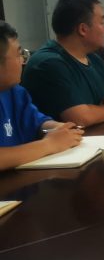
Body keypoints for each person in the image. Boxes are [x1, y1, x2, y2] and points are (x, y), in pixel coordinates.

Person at [21, 0, 104, 127]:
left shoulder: (92, 57)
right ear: (83, 29)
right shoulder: (48, 63)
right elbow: (80, 118)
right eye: (102, 23)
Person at [0, 21, 83, 170]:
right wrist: (48, 144)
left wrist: (60, 128)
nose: (23, 61)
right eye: (18, 54)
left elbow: (37, 122)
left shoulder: (14, 91)